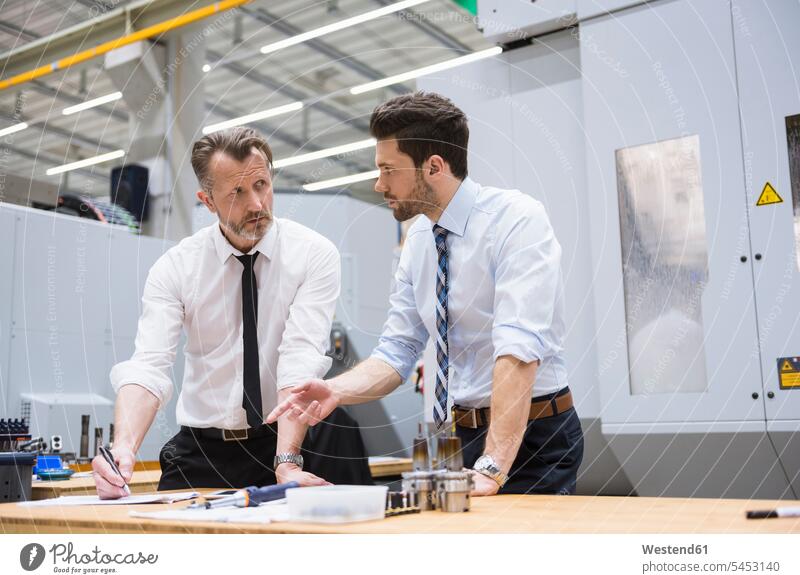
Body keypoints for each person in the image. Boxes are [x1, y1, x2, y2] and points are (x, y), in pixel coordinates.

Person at [268, 92, 584, 496]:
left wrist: (492, 466)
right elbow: (397, 350)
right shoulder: (419, 240)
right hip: (461, 436)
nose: (378, 183)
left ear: (434, 166)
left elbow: (519, 351)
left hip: (534, 437)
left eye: (388, 169)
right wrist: (337, 390)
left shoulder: (516, 221)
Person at [92, 127, 336, 498]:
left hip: (285, 442)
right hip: (201, 450)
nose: (257, 203)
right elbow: (149, 366)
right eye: (237, 192)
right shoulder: (177, 267)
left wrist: (286, 461)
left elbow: (299, 357)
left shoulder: (312, 254)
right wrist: (123, 447)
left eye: (261, 184)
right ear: (207, 201)